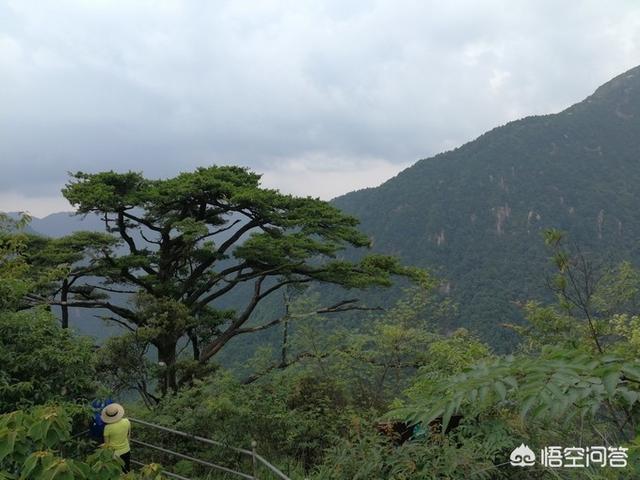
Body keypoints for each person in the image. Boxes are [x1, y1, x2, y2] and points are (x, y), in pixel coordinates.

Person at [101, 403, 131, 472]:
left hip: (115, 453)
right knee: (127, 470)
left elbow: (107, 444)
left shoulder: (107, 428)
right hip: (126, 449)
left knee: (117, 472)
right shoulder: (127, 421)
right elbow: (128, 436)